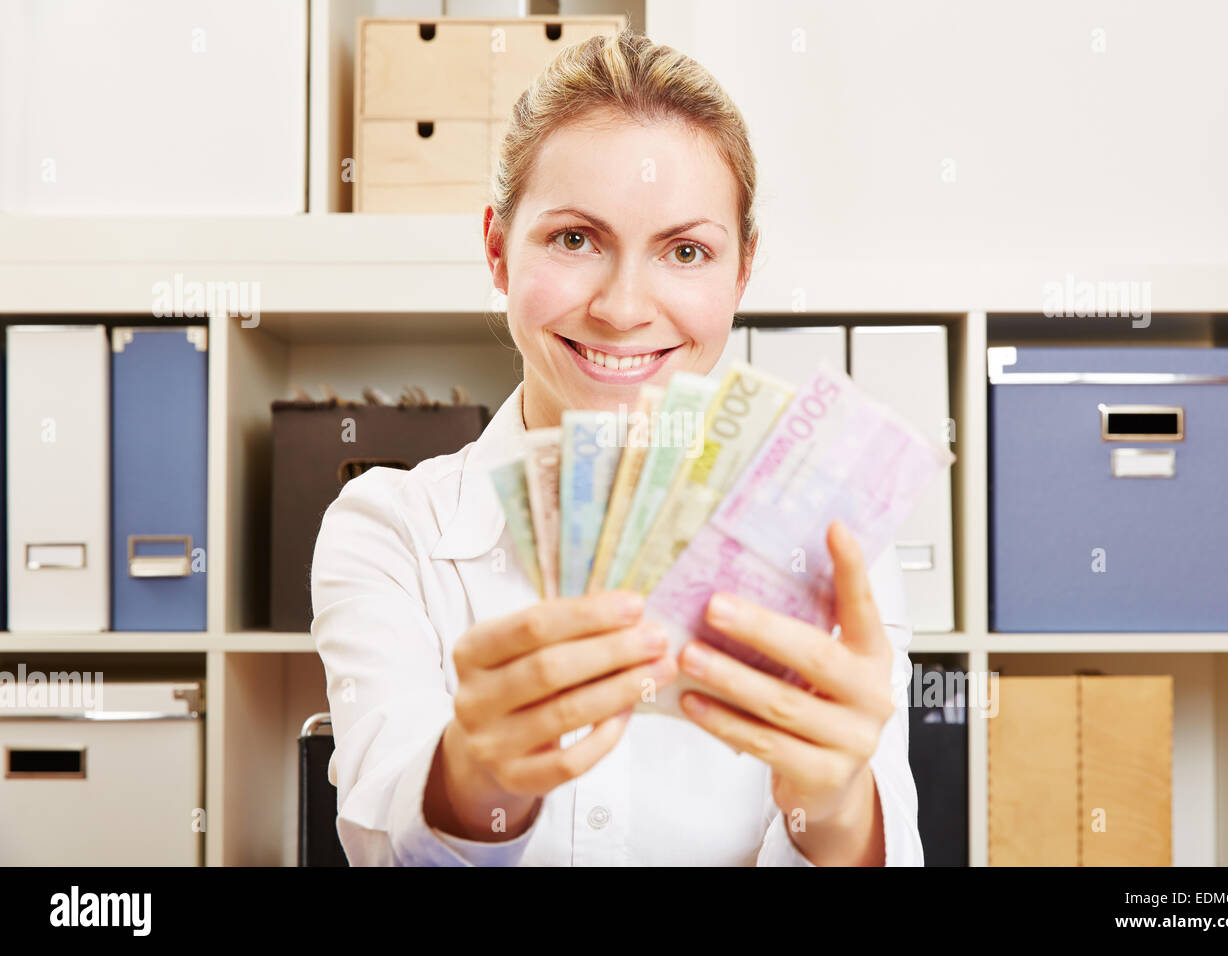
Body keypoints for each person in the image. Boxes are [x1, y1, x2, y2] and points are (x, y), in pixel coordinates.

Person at [311, 28, 923, 866]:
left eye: (685, 251)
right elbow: (384, 839)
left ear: (741, 273)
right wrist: (475, 776)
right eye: (575, 239)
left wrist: (837, 803)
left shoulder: (827, 540)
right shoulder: (389, 529)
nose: (625, 307)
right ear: (497, 248)